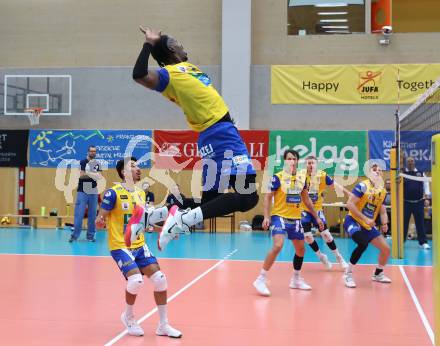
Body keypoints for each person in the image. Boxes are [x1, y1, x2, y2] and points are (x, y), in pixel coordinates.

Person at [129, 27, 259, 250]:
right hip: (221, 134)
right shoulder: (169, 73)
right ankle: (181, 221)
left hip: (213, 136)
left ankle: (151, 216)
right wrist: (150, 43)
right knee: (248, 197)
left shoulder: (186, 68)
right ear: (170, 49)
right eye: (176, 42)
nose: (181, 44)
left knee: (210, 202)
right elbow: (139, 75)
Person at [96, 157, 181, 338]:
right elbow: (100, 217)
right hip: (120, 245)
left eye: (137, 166)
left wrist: (165, 229)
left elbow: (144, 223)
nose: (137, 169)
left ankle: (163, 325)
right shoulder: (113, 193)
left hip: (139, 244)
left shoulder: (141, 194)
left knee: (160, 279)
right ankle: (128, 316)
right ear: (123, 172)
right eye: (132, 166)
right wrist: (100, 220)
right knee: (136, 280)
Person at [253, 150, 324, 296]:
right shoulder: (277, 178)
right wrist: (266, 216)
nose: (292, 161)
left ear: (297, 161)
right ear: (285, 161)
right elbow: (267, 198)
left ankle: (296, 279)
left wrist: (316, 217)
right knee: (278, 245)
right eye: (289, 159)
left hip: (296, 218)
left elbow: (306, 200)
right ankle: (260, 278)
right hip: (279, 216)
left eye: (294, 159)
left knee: (300, 249)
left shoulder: (301, 178)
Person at [343, 163, 391, 288]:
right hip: (353, 220)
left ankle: (378, 274)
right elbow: (349, 204)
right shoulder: (362, 186)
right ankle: (347, 273)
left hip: (368, 225)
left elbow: (383, 210)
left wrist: (385, 223)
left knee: (386, 249)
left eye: (379, 170)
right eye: (374, 170)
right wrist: (365, 218)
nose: (377, 172)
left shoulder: (382, 191)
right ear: (370, 173)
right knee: (363, 243)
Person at [300, 156, 348, 270]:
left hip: (317, 209)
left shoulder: (322, 175)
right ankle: (321, 256)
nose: (311, 165)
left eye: (313, 163)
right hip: (303, 210)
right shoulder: (300, 176)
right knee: (307, 237)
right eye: (308, 163)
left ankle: (339, 257)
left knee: (326, 234)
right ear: (305, 165)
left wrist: (348, 194)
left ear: (317, 165)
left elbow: (336, 185)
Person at [69, 145, 101, 242]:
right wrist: (93, 174)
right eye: (91, 151)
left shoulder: (96, 163)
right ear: (88, 152)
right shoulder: (83, 162)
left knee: (92, 214)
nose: (93, 153)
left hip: (93, 190)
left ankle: (90, 236)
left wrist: (89, 174)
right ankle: (74, 236)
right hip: (83, 190)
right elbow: (82, 176)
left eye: (94, 151)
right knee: (79, 214)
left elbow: (99, 177)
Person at [403, 156, 431, 249]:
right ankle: (401, 241)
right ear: (407, 163)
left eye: (412, 161)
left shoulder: (420, 173)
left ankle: (423, 242)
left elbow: (426, 183)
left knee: (420, 223)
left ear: (414, 162)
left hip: (419, 202)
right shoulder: (403, 173)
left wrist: (427, 197)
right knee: (404, 223)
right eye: (408, 161)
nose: (410, 162)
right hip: (406, 203)